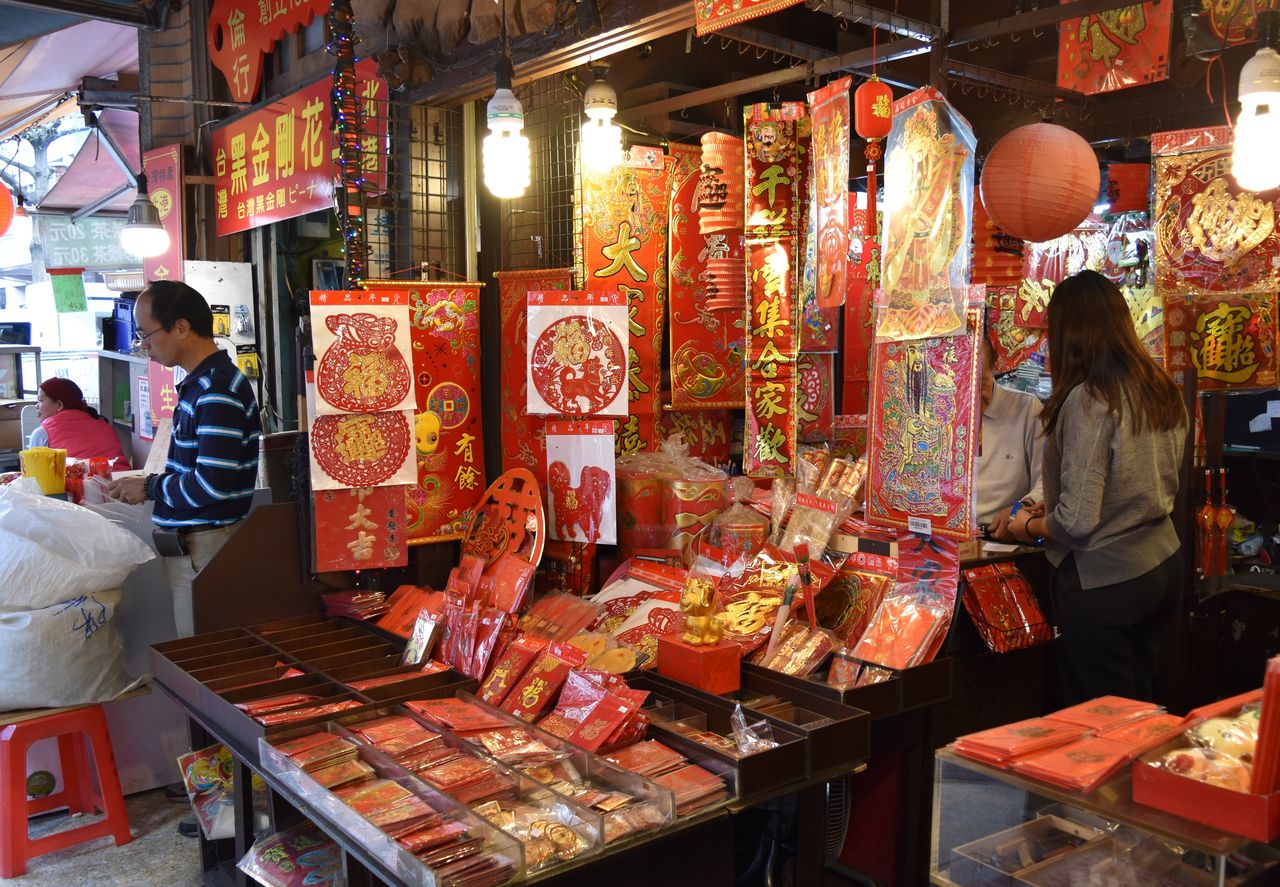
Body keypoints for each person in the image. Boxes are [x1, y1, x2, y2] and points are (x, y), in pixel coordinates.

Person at [1008, 269, 1186, 705]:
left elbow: (1077, 522)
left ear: (1069, 335)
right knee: (1139, 703)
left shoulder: (1091, 398)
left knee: (1103, 720)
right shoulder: (1158, 384)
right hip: (1162, 564)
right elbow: (1140, 478)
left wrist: (1026, 527)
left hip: (1107, 581)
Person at [106, 280, 261, 639]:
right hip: (196, 547)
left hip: (204, 548)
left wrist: (149, 487)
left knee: (206, 658)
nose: (144, 346)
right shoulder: (202, 384)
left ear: (181, 327)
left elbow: (211, 484)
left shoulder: (215, 391)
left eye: (146, 334)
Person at [976, 339, 1043, 541]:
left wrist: (1020, 509)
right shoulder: (937, 412)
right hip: (947, 537)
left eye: (981, 383)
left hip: (1004, 534)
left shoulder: (1027, 408)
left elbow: (1048, 480)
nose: (972, 395)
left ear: (995, 367)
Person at [27, 377, 129, 466]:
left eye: (40, 400)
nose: (37, 406)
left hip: (78, 482)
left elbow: (34, 474)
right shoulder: (105, 425)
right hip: (123, 480)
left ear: (59, 405)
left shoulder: (43, 434)